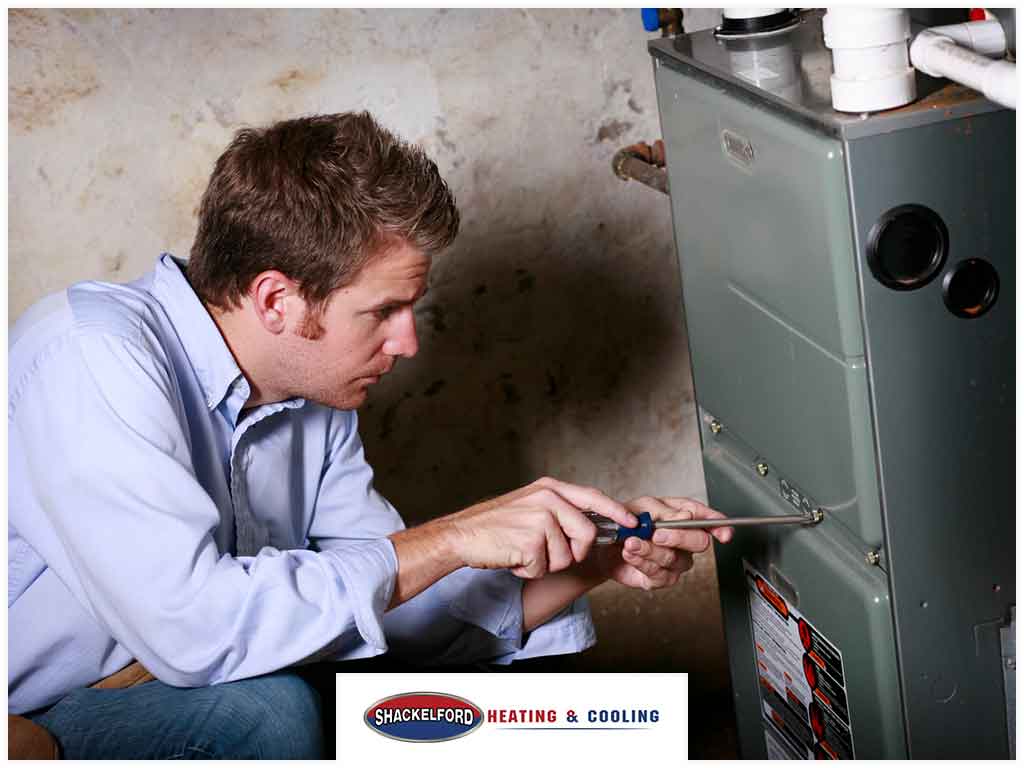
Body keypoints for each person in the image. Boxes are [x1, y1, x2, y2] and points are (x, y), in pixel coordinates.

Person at [8, 112, 733, 759]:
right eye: (385, 311)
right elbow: (195, 630)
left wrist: (597, 558)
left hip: (214, 669)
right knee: (270, 714)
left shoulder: (315, 398)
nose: (408, 342)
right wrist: (451, 536)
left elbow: (394, 605)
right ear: (276, 300)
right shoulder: (91, 355)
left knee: (596, 721)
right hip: (44, 713)